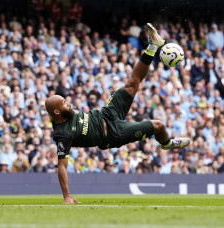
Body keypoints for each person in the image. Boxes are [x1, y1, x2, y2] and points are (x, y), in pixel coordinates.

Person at [45, 23, 191, 204]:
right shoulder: (62, 134)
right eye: (65, 103)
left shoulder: (67, 113)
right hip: (113, 134)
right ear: (57, 111)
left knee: (132, 84)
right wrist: (66, 195)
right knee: (159, 125)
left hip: (106, 113)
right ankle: (167, 143)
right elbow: (62, 166)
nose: (69, 103)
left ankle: (153, 45)